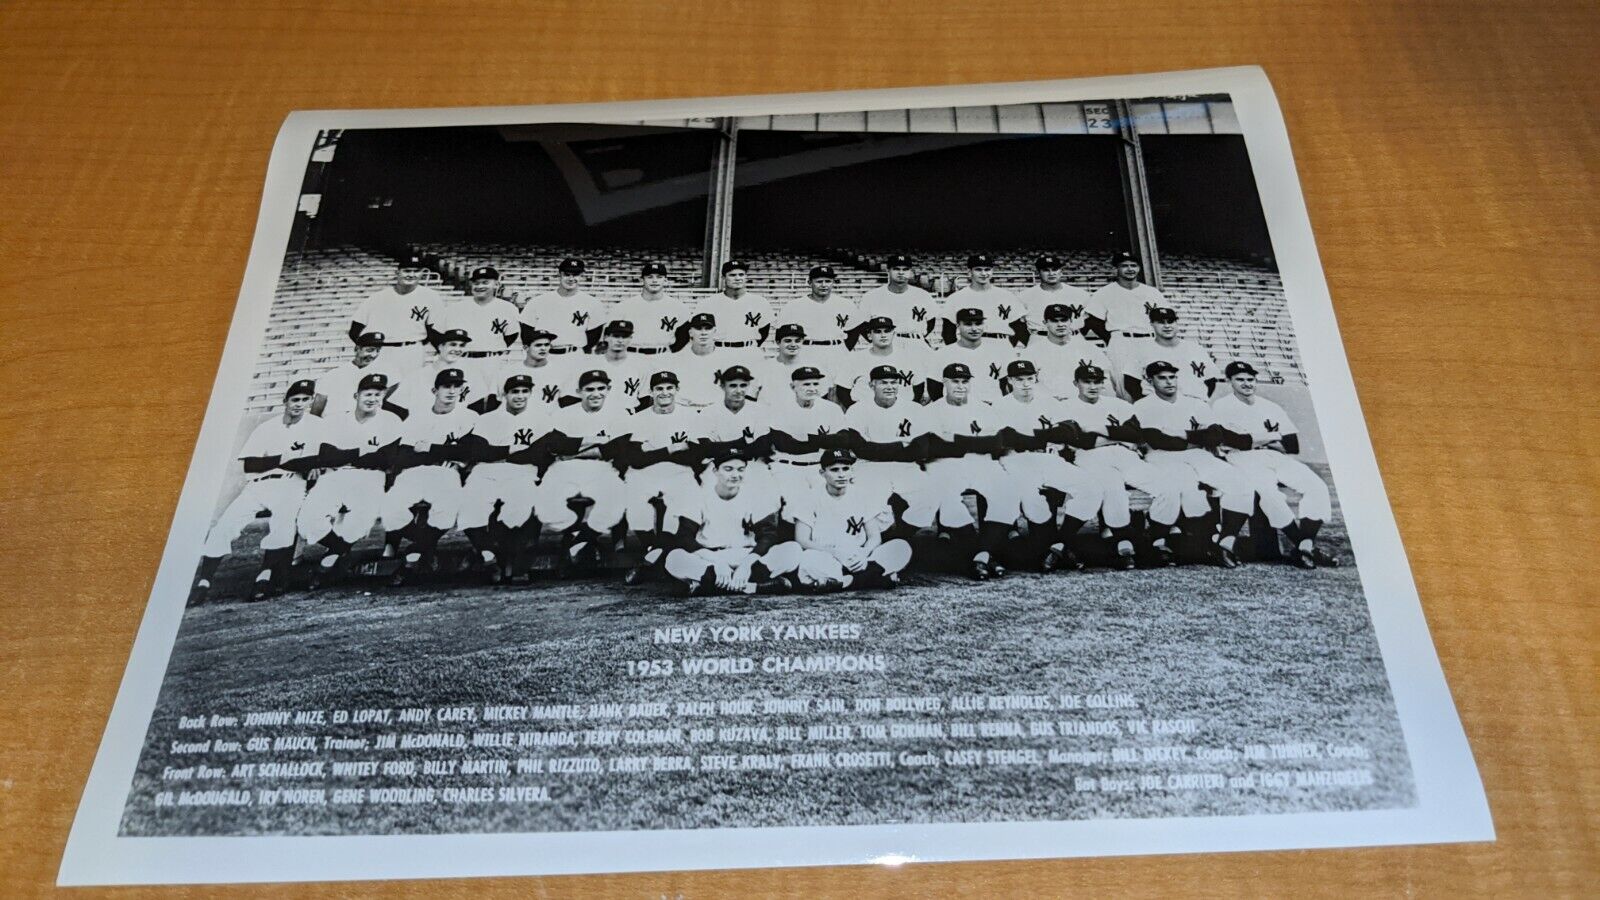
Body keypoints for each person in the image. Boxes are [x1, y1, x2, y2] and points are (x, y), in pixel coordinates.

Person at [1060, 363, 1207, 568]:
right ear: (1076, 383)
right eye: (1087, 382)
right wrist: (1117, 436)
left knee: (1168, 488)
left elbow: (1136, 434)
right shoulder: (1064, 406)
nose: (1093, 386)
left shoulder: (1119, 405)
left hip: (1126, 456)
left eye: (1097, 382)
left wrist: (1102, 432)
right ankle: (1122, 544)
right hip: (1090, 457)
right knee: (1113, 489)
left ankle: (1156, 539)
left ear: (1103, 383)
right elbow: (1080, 441)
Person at [191, 379, 322, 603]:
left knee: (283, 524)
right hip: (259, 484)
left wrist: (285, 463)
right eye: (295, 399)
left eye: (305, 400)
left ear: (311, 401)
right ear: (285, 401)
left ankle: (265, 576)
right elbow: (250, 465)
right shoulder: (268, 427)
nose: (299, 404)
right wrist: (286, 459)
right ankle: (203, 582)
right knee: (225, 524)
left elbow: (314, 461)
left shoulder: (316, 426)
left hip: (291, 484)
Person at [1210, 361, 1338, 569]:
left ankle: (1305, 545)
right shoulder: (1223, 406)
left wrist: (1255, 439)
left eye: (1250, 379)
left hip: (1276, 457)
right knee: (1269, 495)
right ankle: (1305, 549)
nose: (1246, 384)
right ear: (1229, 381)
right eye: (1240, 380)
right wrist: (1272, 437)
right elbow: (1233, 441)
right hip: (1244, 458)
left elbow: (1292, 444)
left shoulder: (1270, 406)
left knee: (1317, 487)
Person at [986, 360, 1107, 572]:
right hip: (1015, 460)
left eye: (1029, 379)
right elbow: (1007, 439)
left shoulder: (1049, 402)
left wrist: (1030, 438)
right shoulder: (999, 406)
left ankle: (1060, 543)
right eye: (1019, 379)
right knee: (1034, 505)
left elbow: (1069, 432)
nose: (1025, 384)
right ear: (1010, 381)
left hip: (1049, 458)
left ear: (1035, 379)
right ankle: (1047, 549)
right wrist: (1046, 436)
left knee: (1091, 488)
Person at [1133, 361, 1252, 567]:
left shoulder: (1195, 403)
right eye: (1162, 377)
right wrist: (1198, 437)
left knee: (1240, 483)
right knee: (1183, 488)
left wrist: (1183, 434)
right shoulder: (1142, 406)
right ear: (1150, 381)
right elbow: (1158, 440)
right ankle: (1156, 540)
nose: (1169, 382)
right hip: (1162, 456)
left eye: (1172, 377)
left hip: (1198, 455)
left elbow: (1215, 436)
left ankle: (1225, 542)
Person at [296, 373, 402, 587]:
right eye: (368, 394)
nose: (372, 399)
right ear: (356, 395)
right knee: (308, 521)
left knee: (361, 519)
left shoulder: (390, 420)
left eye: (378, 394)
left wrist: (346, 455)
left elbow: (386, 459)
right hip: (334, 475)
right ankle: (339, 552)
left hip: (370, 477)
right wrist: (363, 453)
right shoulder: (336, 420)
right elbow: (326, 456)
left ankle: (328, 562)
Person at [919, 362, 1021, 579]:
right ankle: (983, 554)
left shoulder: (983, 408)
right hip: (944, 465)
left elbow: (998, 442)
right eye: (955, 381)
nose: (960, 386)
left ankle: (981, 555)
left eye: (965, 381)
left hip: (982, 463)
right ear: (944, 382)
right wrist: (976, 442)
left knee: (1008, 492)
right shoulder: (931, 411)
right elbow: (932, 447)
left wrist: (955, 441)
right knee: (947, 499)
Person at [380, 368, 478, 585]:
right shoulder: (417, 416)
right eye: (446, 386)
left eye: (457, 386)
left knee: (446, 511)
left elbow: (467, 453)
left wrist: (429, 449)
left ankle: (412, 556)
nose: (452, 391)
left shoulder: (469, 416)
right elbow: (404, 455)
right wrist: (445, 451)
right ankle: (424, 548)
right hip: (413, 473)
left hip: (445, 473)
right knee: (390, 510)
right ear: (435, 390)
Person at [664, 448, 801, 595]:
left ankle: (711, 585)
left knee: (793, 550)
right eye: (728, 469)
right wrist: (717, 562)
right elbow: (685, 537)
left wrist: (746, 565)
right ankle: (753, 586)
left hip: (746, 555)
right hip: (710, 557)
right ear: (715, 471)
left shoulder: (754, 496)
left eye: (741, 469)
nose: (735, 475)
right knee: (674, 559)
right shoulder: (700, 497)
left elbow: (768, 536)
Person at [531, 369, 630, 572]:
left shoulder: (619, 413)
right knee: (546, 507)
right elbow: (555, 445)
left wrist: (575, 448)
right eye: (589, 389)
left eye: (601, 388)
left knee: (616, 501)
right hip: (563, 467)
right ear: (579, 391)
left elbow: (617, 448)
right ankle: (581, 537)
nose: (596, 394)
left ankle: (579, 540)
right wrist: (596, 443)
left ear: (609, 389)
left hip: (601, 469)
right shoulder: (563, 413)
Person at [457, 374, 546, 582]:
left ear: (531, 393)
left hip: (522, 472)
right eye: (515, 391)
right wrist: (514, 449)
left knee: (519, 507)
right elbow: (479, 453)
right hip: (486, 471)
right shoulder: (487, 419)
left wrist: (498, 451)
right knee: (470, 507)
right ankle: (488, 554)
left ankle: (511, 561)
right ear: (504, 394)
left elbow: (538, 454)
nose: (520, 396)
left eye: (525, 391)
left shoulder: (540, 418)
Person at [618, 370, 702, 581]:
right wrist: (671, 450)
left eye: (669, 388)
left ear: (677, 390)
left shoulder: (690, 416)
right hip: (644, 472)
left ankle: (652, 557)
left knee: (686, 502)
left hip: (679, 472)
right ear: (651, 392)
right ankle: (655, 550)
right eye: (659, 389)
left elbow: (695, 456)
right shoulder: (638, 418)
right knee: (635, 500)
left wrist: (652, 452)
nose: (664, 393)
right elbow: (635, 459)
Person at [791, 448, 913, 590]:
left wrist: (863, 553)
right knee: (808, 561)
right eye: (834, 470)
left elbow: (874, 537)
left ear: (852, 471)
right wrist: (835, 554)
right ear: (822, 473)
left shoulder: (862, 495)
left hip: (858, 556)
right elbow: (802, 539)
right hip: (827, 554)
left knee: (901, 547)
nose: (841, 475)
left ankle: (842, 581)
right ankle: (870, 578)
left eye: (845, 469)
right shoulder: (810, 497)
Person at [840, 363, 932, 533]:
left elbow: (921, 449)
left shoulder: (914, 409)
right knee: (869, 502)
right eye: (883, 382)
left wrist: (877, 448)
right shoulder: (857, 410)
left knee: (928, 496)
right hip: (869, 466)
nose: (890, 387)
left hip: (906, 467)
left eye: (893, 382)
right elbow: (860, 449)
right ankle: (884, 536)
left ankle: (905, 535)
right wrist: (902, 446)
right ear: (871, 385)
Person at [767, 366, 848, 514]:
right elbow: (786, 445)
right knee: (793, 509)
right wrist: (823, 441)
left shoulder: (831, 408)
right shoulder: (779, 408)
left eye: (815, 384)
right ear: (793, 387)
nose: (812, 388)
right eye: (806, 384)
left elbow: (843, 441)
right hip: (788, 468)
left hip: (819, 468)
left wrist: (808, 440)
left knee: (830, 505)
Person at [349, 253, 442, 372]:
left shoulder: (431, 297)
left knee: (409, 387)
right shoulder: (378, 297)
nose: (411, 275)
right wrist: (369, 350)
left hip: (412, 350)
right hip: (382, 350)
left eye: (416, 271)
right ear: (397, 272)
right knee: (379, 387)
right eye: (407, 271)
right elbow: (355, 330)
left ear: (422, 273)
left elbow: (434, 330)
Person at [1023, 302, 1117, 402]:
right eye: (1054, 321)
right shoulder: (1032, 352)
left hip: (1082, 404)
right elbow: (1027, 384)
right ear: (1045, 323)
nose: (1060, 324)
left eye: (1064, 320)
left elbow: (1105, 381)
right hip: (1048, 404)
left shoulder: (1089, 349)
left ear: (1071, 321)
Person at [1120, 306, 1219, 401]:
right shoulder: (1141, 350)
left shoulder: (1196, 349)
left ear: (1176, 323)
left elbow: (1211, 380)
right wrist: (1147, 403)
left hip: (1194, 403)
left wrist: (1200, 400)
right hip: (1158, 407)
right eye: (1161, 322)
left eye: (1171, 321)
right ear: (1151, 324)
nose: (1167, 326)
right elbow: (1130, 382)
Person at [834, 316, 934, 407]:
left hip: (901, 412)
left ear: (893, 334)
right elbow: (842, 389)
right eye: (878, 331)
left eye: (887, 331)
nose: (883, 335)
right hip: (866, 412)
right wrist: (856, 411)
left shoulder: (909, 357)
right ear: (869, 335)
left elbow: (918, 388)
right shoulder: (855, 359)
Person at [517, 257, 605, 354]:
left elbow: (594, 334)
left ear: (582, 276)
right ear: (559, 274)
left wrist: (583, 352)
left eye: (576, 275)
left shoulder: (593, 303)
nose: (571, 279)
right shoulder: (538, 301)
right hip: (545, 354)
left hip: (575, 354)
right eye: (567, 274)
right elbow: (526, 332)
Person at [929, 307, 1016, 403]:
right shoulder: (943, 354)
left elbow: (1007, 385)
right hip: (960, 409)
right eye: (968, 324)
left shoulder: (998, 350)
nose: (974, 328)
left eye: (978, 324)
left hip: (992, 407)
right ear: (958, 326)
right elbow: (934, 389)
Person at [395, 328, 491, 415]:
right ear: (440, 346)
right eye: (452, 344)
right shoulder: (417, 376)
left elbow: (478, 408)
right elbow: (398, 407)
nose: (457, 349)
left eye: (461, 345)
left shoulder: (472, 374)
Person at [432, 265, 520, 359]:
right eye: (476, 283)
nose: (480, 286)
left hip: (494, 359)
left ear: (496, 284)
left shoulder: (508, 308)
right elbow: (437, 333)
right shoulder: (454, 308)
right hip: (462, 359)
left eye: (485, 282)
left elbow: (511, 335)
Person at [306, 330, 398, 417]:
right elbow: (316, 412)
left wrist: (381, 398)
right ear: (357, 349)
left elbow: (396, 382)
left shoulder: (381, 375)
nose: (373, 355)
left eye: (377, 350)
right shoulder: (334, 374)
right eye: (370, 350)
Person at [1089, 250, 1169, 348]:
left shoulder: (1153, 292)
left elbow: (1165, 318)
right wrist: (1111, 339)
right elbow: (1093, 321)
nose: (1130, 269)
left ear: (1139, 268)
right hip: (1122, 341)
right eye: (1124, 266)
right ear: (1116, 269)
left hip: (1150, 340)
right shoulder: (1104, 293)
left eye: (1133, 265)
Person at [855, 254, 938, 347]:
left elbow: (931, 322)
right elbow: (862, 325)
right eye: (896, 269)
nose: (901, 272)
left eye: (905, 269)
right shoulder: (871, 296)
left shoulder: (923, 295)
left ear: (910, 271)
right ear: (888, 270)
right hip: (887, 345)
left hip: (916, 342)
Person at [939, 253, 1022, 345]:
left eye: (987, 270)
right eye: (978, 270)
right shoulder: (956, 298)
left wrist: (1009, 346)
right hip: (970, 345)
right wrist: (958, 351)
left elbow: (1018, 328)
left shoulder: (1007, 296)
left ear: (992, 271)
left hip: (1001, 343)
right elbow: (948, 331)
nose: (983, 273)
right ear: (969, 272)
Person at [610, 261, 691, 354]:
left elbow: (684, 337)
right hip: (631, 355)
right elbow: (611, 335)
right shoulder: (624, 306)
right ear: (642, 280)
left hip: (663, 356)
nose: (654, 280)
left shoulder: (679, 307)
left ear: (665, 280)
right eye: (649, 277)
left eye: (659, 277)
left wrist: (672, 352)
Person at [773, 265, 857, 352]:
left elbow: (854, 331)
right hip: (806, 349)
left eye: (828, 281)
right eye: (819, 281)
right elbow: (780, 333)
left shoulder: (846, 304)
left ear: (833, 282)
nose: (824, 285)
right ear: (809, 283)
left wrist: (845, 350)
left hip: (836, 349)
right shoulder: (793, 305)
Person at [1017, 254, 1098, 343]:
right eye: (1046, 270)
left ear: (1061, 271)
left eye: (1055, 269)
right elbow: (1018, 324)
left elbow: (1089, 320)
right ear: (1038, 273)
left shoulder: (1080, 294)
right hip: (1040, 338)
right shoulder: (1024, 296)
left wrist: (1075, 333)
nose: (1051, 273)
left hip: (1073, 338)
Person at [672, 312, 745, 410]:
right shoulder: (677, 359)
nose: (703, 333)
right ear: (690, 332)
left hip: (717, 410)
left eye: (708, 328)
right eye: (698, 328)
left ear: (715, 331)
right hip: (686, 409)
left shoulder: (728, 358)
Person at [751, 322, 838, 402]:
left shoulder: (814, 368)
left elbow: (822, 398)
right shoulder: (763, 367)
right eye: (788, 341)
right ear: (778, 342)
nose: (793, 345)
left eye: (797, 341)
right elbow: (751, 397)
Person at [488, 327, 569, 410]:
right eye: (538, 345)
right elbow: (495, 401)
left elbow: (567, 404)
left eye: (547, 345)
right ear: (526, 348)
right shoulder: (508, 371)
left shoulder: (560, 371)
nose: (543, 348)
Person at [707, 259, 774, 348]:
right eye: (732, 275)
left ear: (746, 277)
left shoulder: (760, 302)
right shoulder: (709, 302)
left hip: (748, 349)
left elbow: (764, 331)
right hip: (719, 349)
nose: (738, 278)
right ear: (723, 278)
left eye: (741, 274)